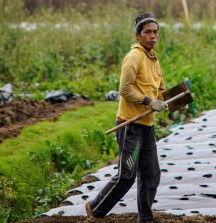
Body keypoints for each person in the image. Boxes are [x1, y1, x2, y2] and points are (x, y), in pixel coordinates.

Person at [85, 13, 167, 223]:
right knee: (127, 175)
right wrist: (150, 102)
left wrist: (168, 101)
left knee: (151, 174)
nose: (152, 36)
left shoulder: (153, 60)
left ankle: (146, 219)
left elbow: (160, 91)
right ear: (138, 35)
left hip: (146, 125)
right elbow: (125, 89)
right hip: (130, 125)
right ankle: (96, 208)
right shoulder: (134, 57)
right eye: (147, 32)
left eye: (155, 32)